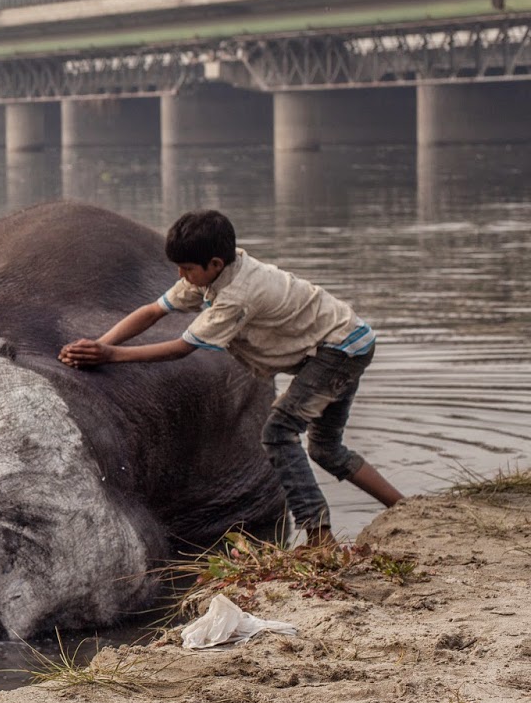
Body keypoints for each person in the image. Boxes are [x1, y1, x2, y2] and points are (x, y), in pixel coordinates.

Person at [57, 209, 404, 545]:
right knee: (326, 449)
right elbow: (152, 312)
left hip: (339, 350)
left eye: (187, 268)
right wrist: (98, 345)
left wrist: (112, 356)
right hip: (347, 341)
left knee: (279, 432)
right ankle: (406, 509)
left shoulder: (237, 296)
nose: (180, 275)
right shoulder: (211, 276)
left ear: (215, 264)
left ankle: (318, 534)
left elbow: (182, 348)